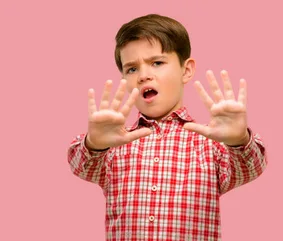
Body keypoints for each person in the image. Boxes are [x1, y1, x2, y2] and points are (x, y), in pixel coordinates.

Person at [67, 13, 267, 240]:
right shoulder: (115, 145)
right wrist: (95, 144)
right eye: (132, 69)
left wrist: (238, 140)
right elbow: (82, 167)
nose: (143, 76)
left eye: (157, 63)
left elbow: (250, 169)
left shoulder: (211, 143)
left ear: (186, 70)